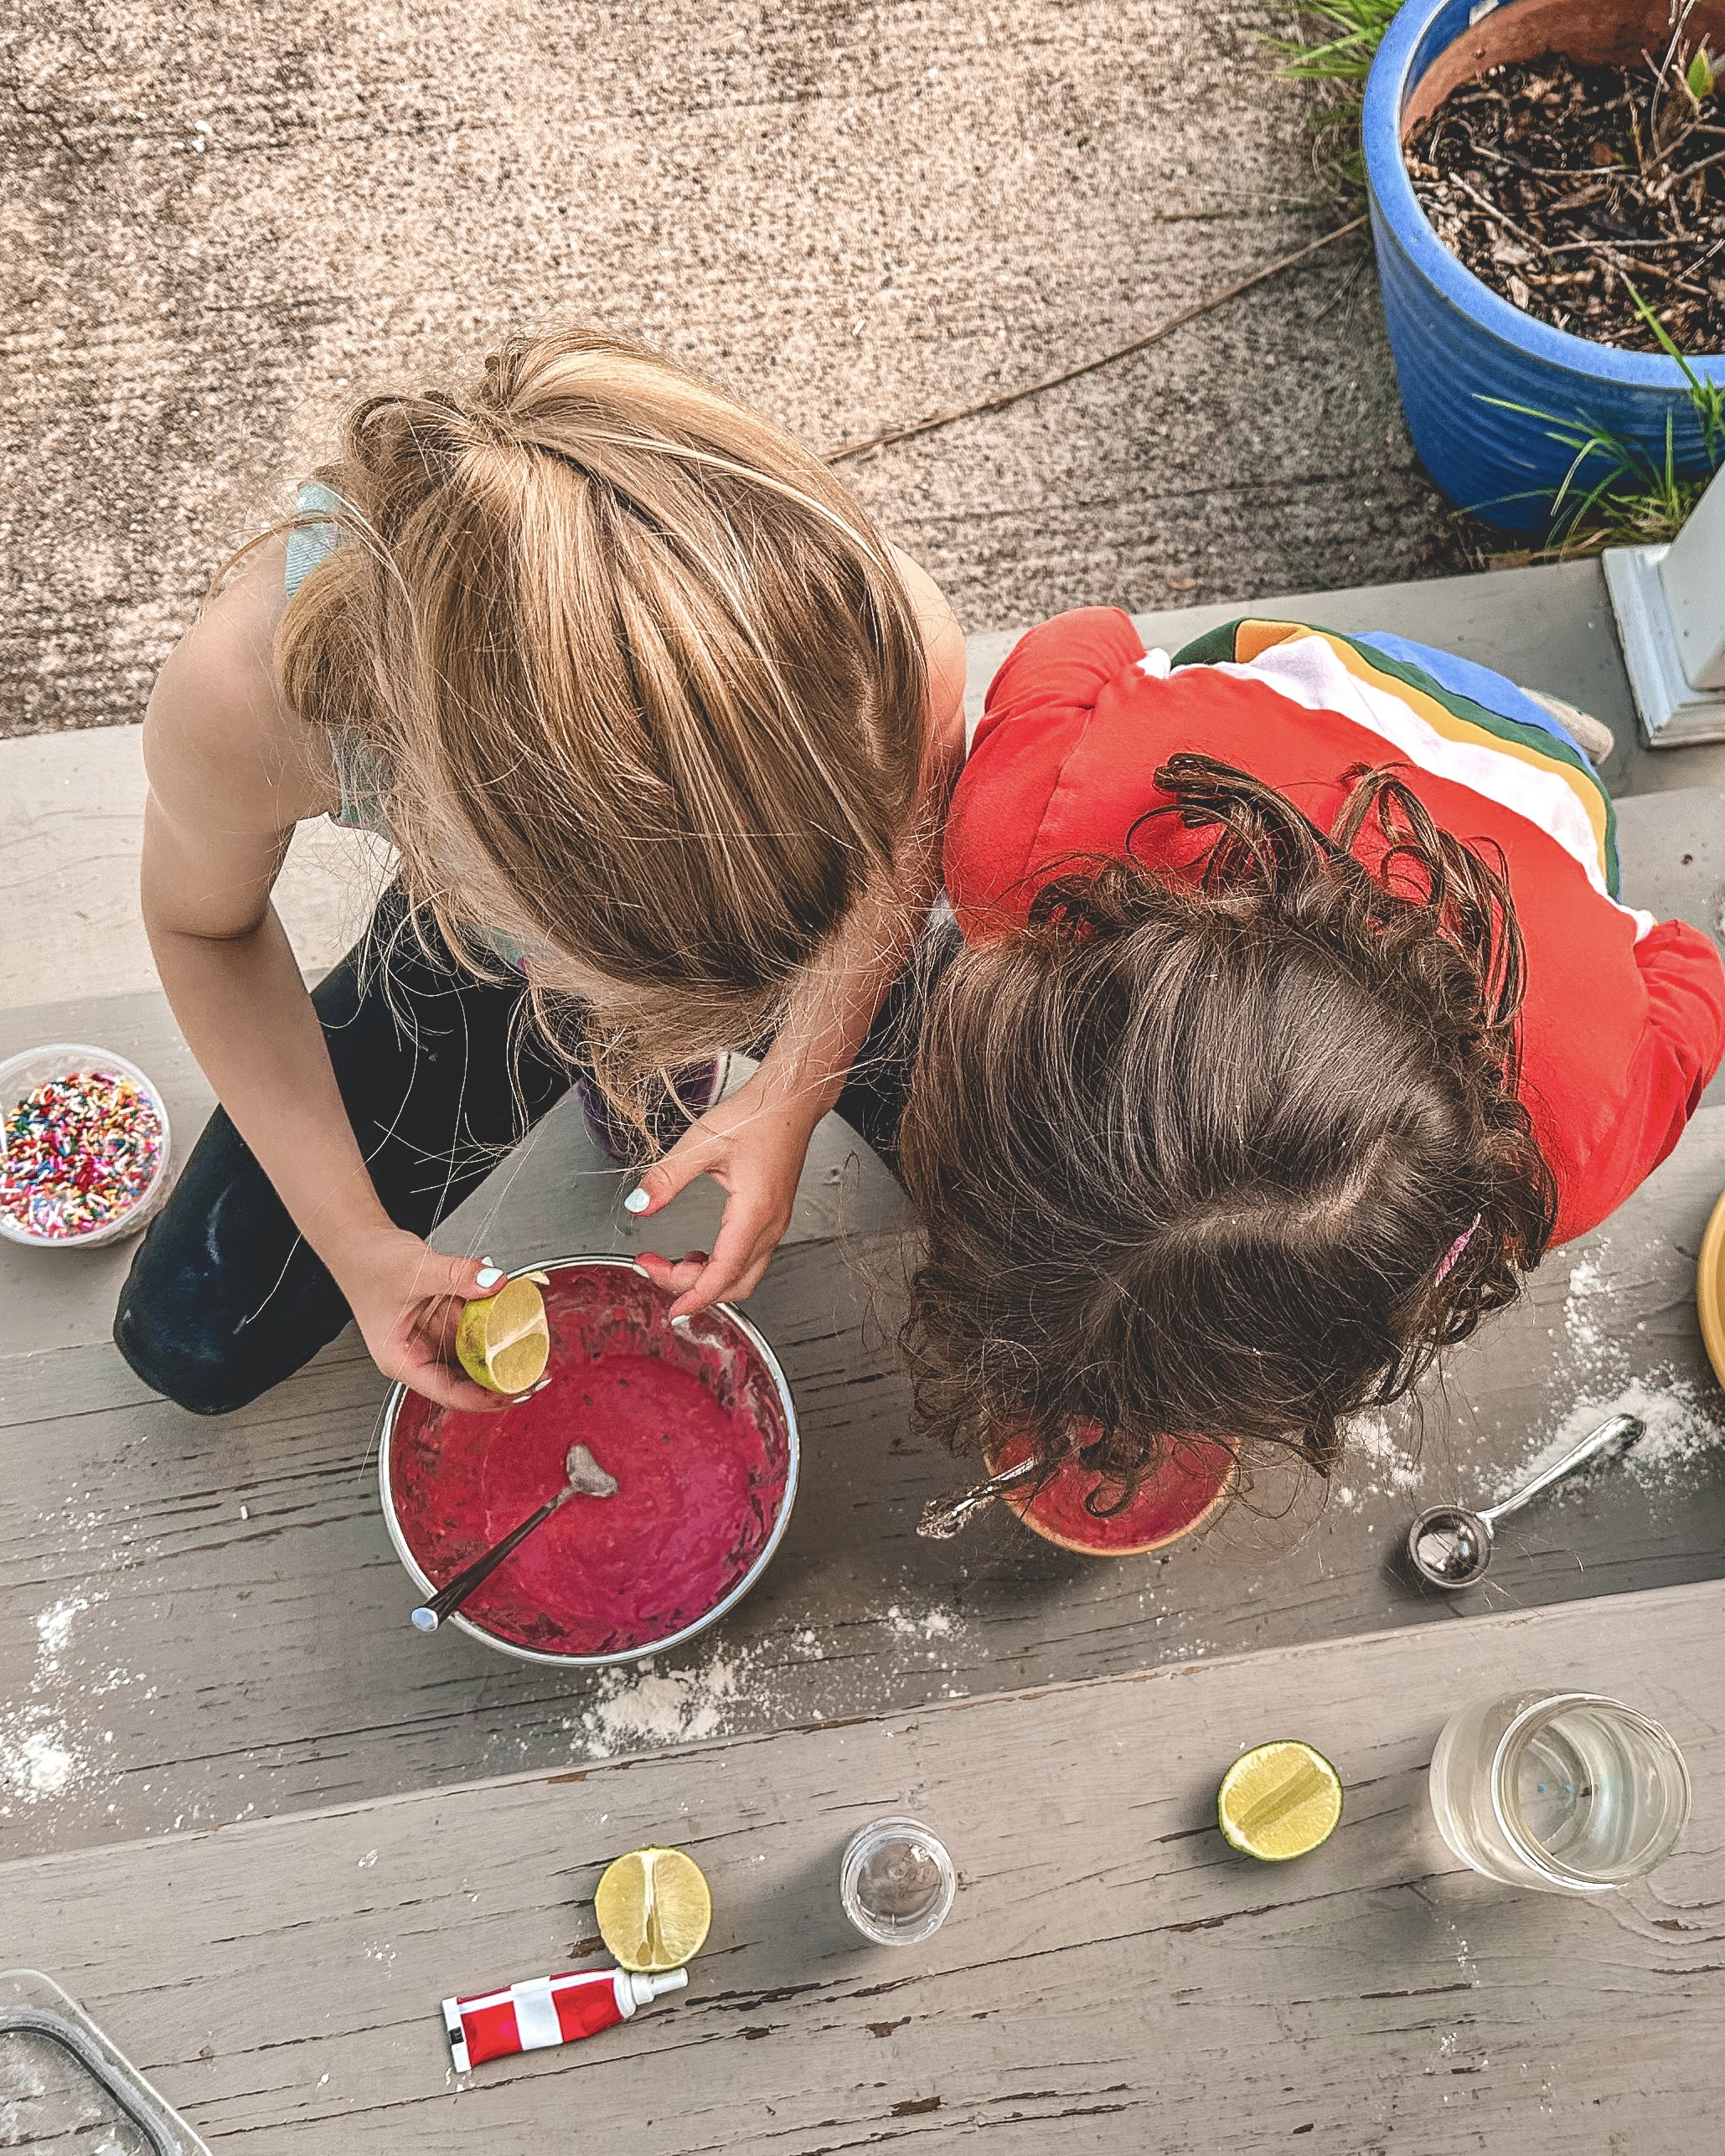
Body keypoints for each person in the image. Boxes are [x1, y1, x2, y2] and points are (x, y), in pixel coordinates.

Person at [116, 330, 967, 1416]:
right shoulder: (252, 704)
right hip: (492, 944)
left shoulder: (869, 623)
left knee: (1041, 1166)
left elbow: (914, 794)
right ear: (443, 835)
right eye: (627, 1010)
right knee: (193, 1334)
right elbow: (202, 927)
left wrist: (798, 1083)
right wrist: (358, 1243)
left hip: (787, 907)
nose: (653, 1039)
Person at [896, 607, 1725, 1508]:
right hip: (1355, 713)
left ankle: (1526, 729)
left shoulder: (1569, 1150)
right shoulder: (1014, 853)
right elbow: (1086, 640)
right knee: (1461, 719)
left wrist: (1581, 965)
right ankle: (1521, 726)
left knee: (1498, 738)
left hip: (1489, 769)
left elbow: (1684, 972)